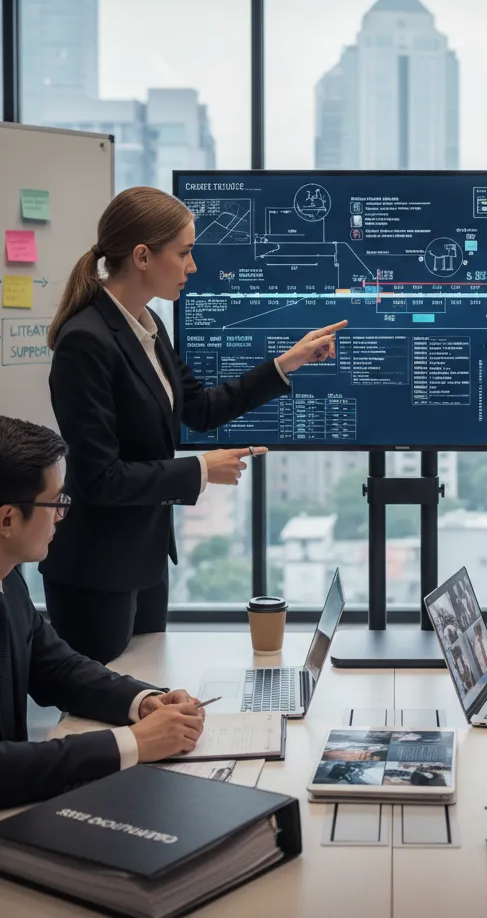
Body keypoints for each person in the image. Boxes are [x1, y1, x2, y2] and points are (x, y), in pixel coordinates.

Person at [0, 416, 208, 901]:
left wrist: (143, 701)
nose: (63, 514)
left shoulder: (0, 572)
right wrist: (132, 744)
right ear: (7, 520)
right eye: (56, 501)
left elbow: (55, 666)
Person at [43, 186, 347, 663]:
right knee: (101, 712)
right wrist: (201, 470)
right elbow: (101, 478)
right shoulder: (86, 341)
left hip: (143, 561)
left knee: (147, 694)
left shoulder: (149, 325)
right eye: (184, 253)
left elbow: (201, 408)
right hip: (96, 571)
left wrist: (287, 363)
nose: (193, 266)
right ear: (143, 257)